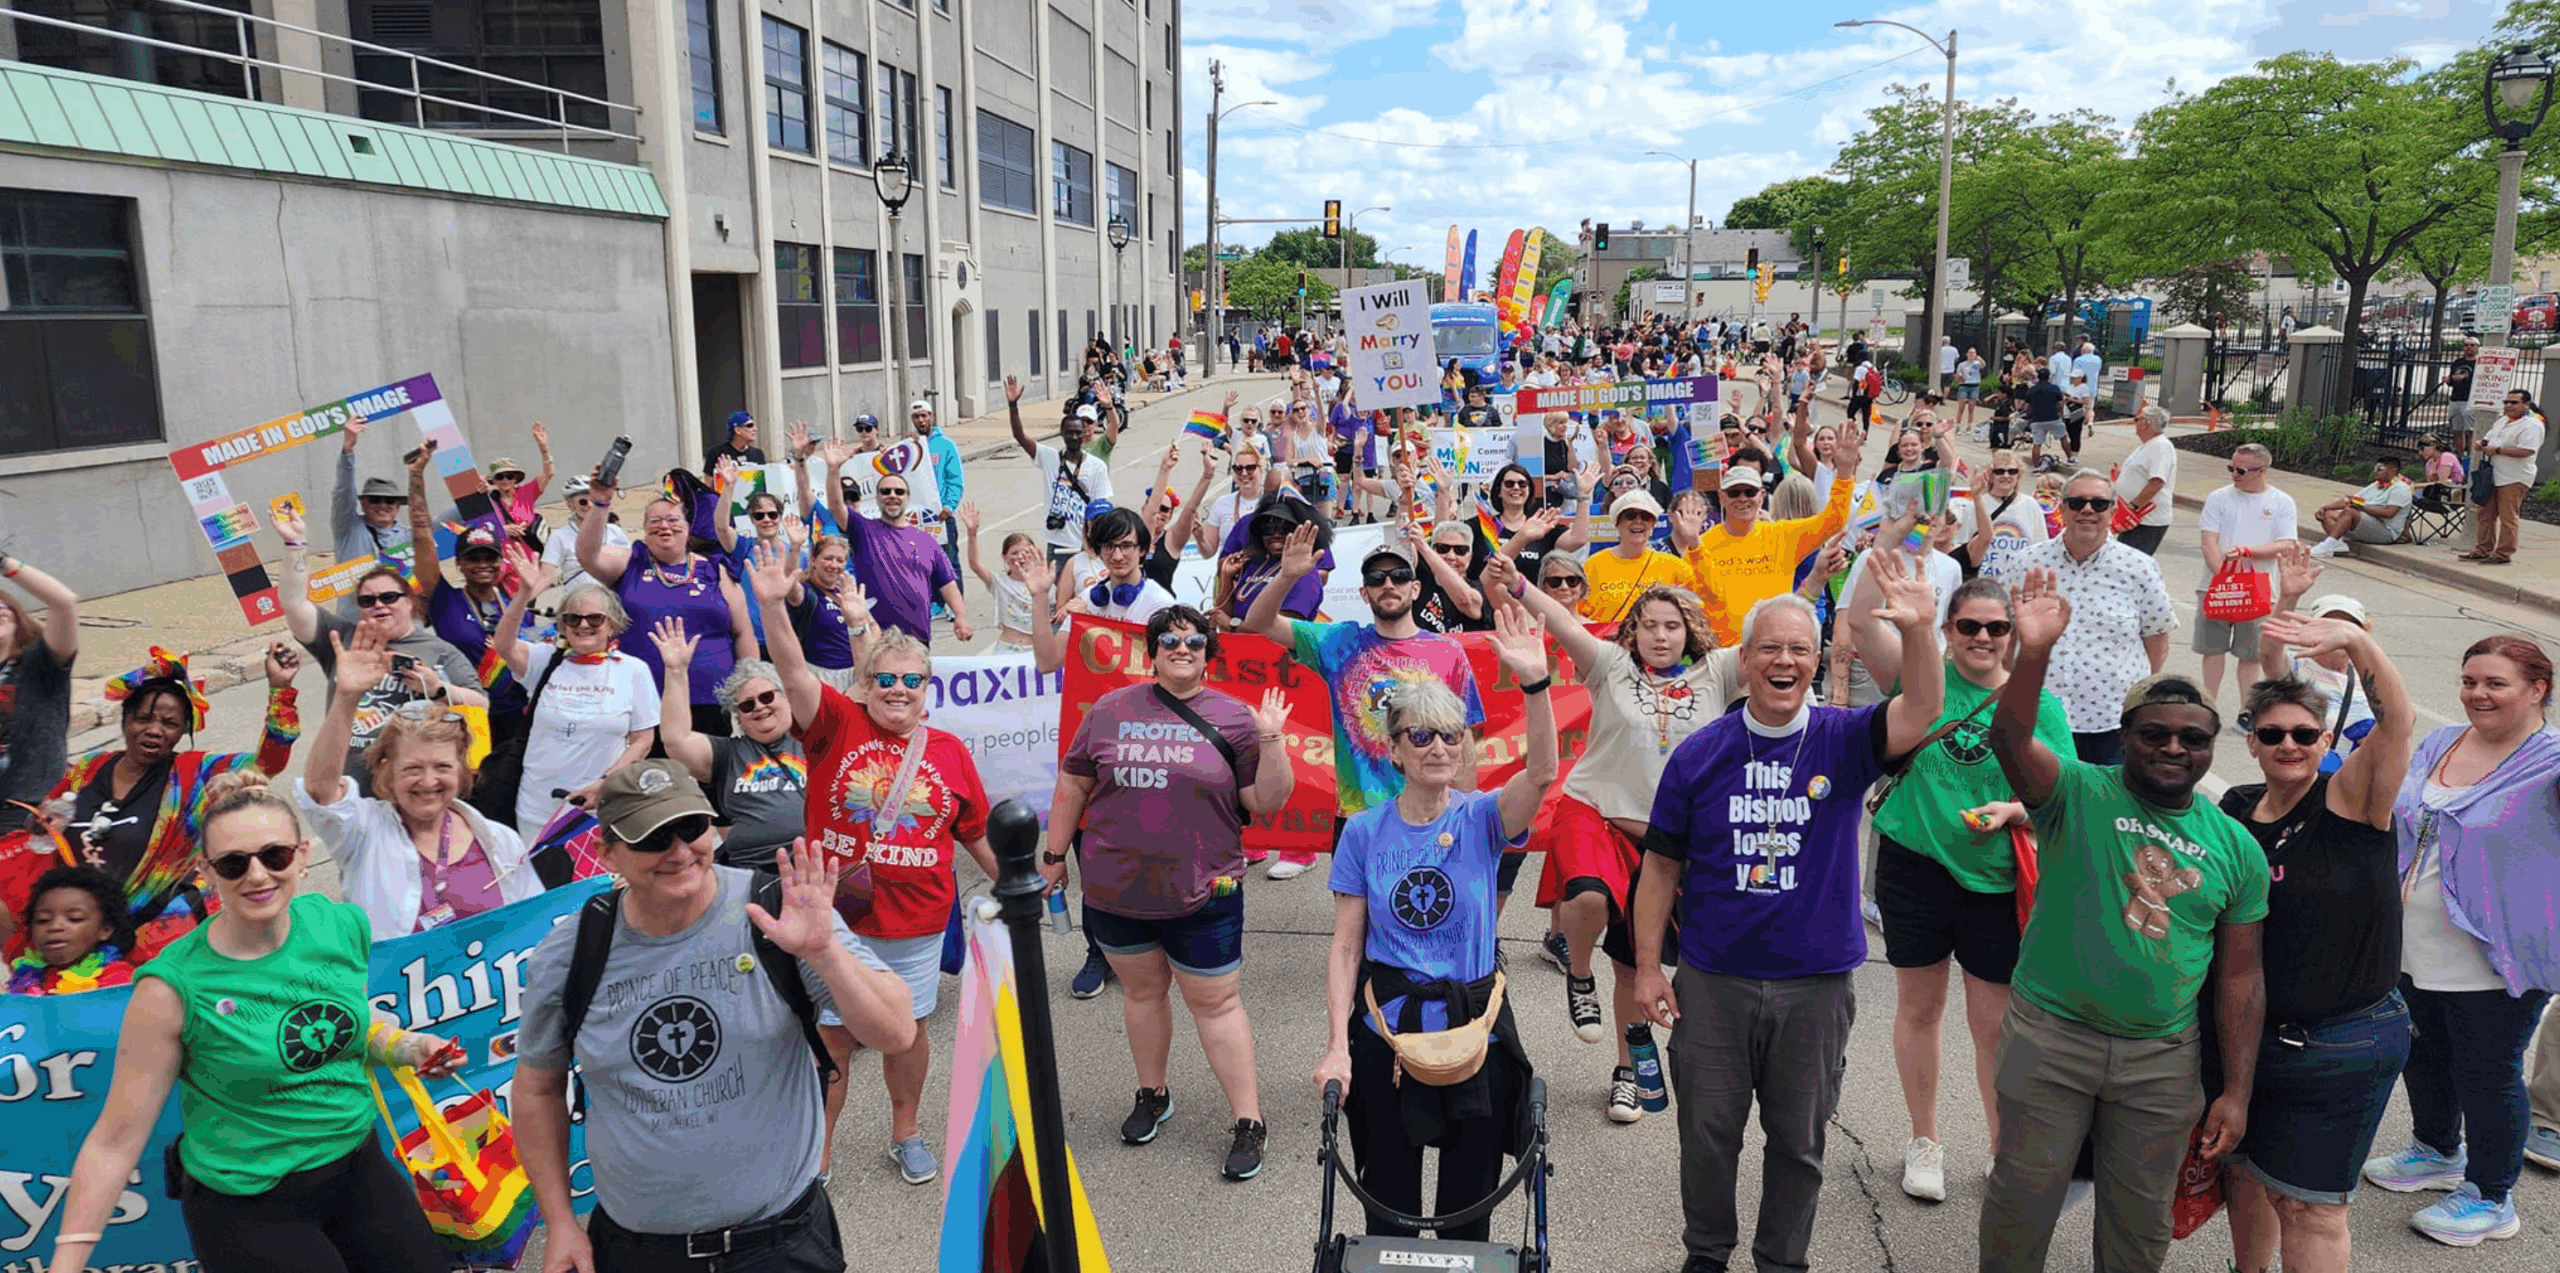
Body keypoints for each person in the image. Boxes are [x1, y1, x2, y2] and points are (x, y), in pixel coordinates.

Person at [1629, 557, 1947, 1273]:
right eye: (1769, 647)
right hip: (1714, 979)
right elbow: (1660, 870)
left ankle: (1782, 1261)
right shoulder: (1699, 755)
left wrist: (1922, 631)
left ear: (1815, 660)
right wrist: (1649, 966)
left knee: (1800, 1142)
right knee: (1707, 1135)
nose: (1784, 660)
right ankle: (1706, 1254)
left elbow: (1924, 708)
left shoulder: (1844, 737)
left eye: (1799, 648)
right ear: (1744, 661)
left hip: (1817, 983)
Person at [42, 771, 465, 1273]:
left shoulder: (337, 924)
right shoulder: (172, 988)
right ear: (208, 871)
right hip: (248, 1204)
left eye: (275, 855)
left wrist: (409, 1047)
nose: (258, 876)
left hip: (358, 1166)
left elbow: (347, 1022)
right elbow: (115, 1140)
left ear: (303, 855)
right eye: (234, 863)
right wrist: (65, 1264)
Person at [513, 763, 916, 1273]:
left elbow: (897, 1032)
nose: (680, 852)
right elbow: (536, 1088)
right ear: (606, 851)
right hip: (640, 1253)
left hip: (781, 1244)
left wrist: (825, 952)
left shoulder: (776, 911)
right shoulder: (571, 953)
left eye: (691, 828)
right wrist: (562, 1221)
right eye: (653, 837)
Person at [1978, 580, 2269, 1273]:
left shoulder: (2236, 846)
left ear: (2210, 748)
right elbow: (2009, 737)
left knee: (2139, 1229)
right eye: (2155, 733)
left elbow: (2240, 975)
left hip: (2162, 1060)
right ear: (2126, 735)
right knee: (2022, 1203)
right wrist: (2034, 651)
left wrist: (2236, 1089)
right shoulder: (2075, 790)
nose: (2174, 747)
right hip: (2050, 1038)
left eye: (2192, 738)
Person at [753, 550, 998, 1184]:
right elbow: (792, 670)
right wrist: (774, 605)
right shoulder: (835, 723)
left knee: (906, 1036)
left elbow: (975, 834)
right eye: (885, 678)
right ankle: (820, 1146)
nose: (897, 689)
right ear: (866, 683)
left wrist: (1024, 890)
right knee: (834, 1041)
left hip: (917, 923)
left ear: (927, 689)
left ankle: (907, 1131)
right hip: (839, 920)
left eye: (911, 680)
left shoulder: (949, 752)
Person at [1313, 606, 1559, 1240]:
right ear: (1393, 749)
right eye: (1420, 736)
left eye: (1451, 735)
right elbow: (1346, 947)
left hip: (1474, 1027)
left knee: (1466, 1212)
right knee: (1386, 1204)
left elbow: (1542, 773)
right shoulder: (1365, 832)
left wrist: (1535, 686)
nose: (1439, 747)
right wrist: (1337, 1046)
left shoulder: (1482, 818)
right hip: (1387, 1027)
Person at [1045, 606, 1296, 1179]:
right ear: (1151, 650)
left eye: (1193, 641)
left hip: (1205, 890)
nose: (1181, 648)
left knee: (1216, 1004)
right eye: (1169, 640)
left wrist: (1273, 739)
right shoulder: (1110, 710)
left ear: (1209, 652)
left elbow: (1266, 802)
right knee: (1141, 995)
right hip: (1115, 890)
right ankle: (1152, 1094)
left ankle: (1248, 1121)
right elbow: (1074, 783)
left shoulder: (1234, 719)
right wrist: (1055, 857)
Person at [1852, 576, 2073, 1199]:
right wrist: (1887, 538)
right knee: (1920, 1007)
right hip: (1914, 865)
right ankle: (1925, 1140)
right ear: (1947, 631)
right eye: (1968, 626)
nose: (1982, 638)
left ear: (2012, 634)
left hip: (1994, 879)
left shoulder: (2040, 705)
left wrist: (2014, 812)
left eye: (1996, 628)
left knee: (1995, 1025)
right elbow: (1862, 620)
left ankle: (2004, 1146)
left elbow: (2055, 792)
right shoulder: (1922, 681)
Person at [2211, 611, 2415, 1273]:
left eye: (2305, 733)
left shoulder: (2349, 800)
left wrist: (2357, 645)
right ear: (2252, 741)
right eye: (2273, 733)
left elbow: (2398, 724)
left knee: (2309, 1206)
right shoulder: (2235, 811)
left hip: (2338, 1041)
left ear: (2326, 738)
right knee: (2244, 1174)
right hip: (2247, 1037)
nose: (2289, 744)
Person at [1500, 559, 1737, 1122]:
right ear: (1632, 630)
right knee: (1586, 898)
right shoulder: (1608, 664)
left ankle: (1627, 1072)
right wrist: (1517, 583)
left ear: (1690, 631)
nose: (1660, 635)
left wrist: (1822, 579)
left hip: (1665, 839)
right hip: (1594, 812)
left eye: (1671, 626)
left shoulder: (1719, 673)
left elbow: (1779, 635)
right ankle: (1578, 973)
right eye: (1649, 625)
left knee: (1636, 970)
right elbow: (1560, 621)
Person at [2366, 634, 2560, 1243]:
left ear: (2538, 690)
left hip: (2495, 957)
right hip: (2412, 943)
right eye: (2470, 680)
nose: (2478, 694)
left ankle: (2492, 1195)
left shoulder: (2552, 763)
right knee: (2421, 1052)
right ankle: (2436, 1150)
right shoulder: (2441, 738)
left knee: (2487, 1069)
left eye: (2495, 683)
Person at [1240, 530, 1484, 885]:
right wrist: (1288, 575)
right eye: (1376, 578)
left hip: (1431, 816)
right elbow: (1258, 622)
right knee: (1356, 927)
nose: (1389, 584)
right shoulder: (1340, 641)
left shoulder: (1448, 653)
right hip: (1359, 818)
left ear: (1415, 589)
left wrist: (1464, 817)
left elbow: (1465, 743)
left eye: (1400, 576)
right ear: (1363, 592)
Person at [48, 645, 300, 958]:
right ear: (125, 719)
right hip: (76, 941)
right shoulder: (88, 769)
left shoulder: (194, 776)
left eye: (170, 724)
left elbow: (268, 762)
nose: (154, 731)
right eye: (143, 719)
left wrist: (280, 689)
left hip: (157, 944)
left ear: (183, 731)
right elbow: (42, 825)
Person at [299, 627, 542, 939]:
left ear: (460, 769)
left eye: (442, 766)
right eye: (412, 768)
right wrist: (346, 699)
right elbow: (320, 790)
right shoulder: (362, 833)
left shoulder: (500, 841)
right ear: (386, 769)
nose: (428, 782)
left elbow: (533, 927)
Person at [1997, 470, 2177, 764]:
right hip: (2037, 718)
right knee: (2033, 807)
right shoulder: (2026, 563)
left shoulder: (2140, 568)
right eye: (2077, 502)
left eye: (2099, 504)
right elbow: (2005, 637)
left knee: (2104, 808)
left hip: (2112, 722)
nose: (2088, 510)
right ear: (2062, 508)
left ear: (2113, 510)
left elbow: (2157, 640)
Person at [489, 549, 660, 838]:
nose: (583, 625)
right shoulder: (545, 660)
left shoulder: (634, 670)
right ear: (563, 625)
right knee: (540, 882)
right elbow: (504, 644)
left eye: (594, 619)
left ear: (612, 625)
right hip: (536, 806)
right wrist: (524, 594)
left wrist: (606, 783)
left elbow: (642, 741)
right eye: (573, 619)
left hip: (599, 807)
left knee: (597, 883)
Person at [576, 471, 759, 737]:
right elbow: (587, 554)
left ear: (688, 527)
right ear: (644, 529)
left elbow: (742, 633)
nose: (664, 526)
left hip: (709, 700)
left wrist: (750, 685)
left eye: (673, 519)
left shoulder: (715, 570)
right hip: (644, 701)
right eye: (655, 521)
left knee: (706, 774)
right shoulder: (631, 562)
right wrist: (601, 503)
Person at [1684, 434, 1862, 645]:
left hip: (1774, 649)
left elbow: (1834, 520)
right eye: (1734, 493)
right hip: (1724, 655)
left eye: (1749, 492)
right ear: (1722, 498)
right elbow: (1690, 605)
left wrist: (1844, 472)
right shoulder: (1702, 546)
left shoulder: (1782, 536)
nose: (1742, 499)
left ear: (1761, 496)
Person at [407, 449, 530, 746]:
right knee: (472, 788)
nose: (483, 564)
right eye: (472, 558)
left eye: (490, 557)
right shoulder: (444, 600)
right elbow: (423, 535)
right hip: (467, 714)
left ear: (501, 563)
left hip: (519, 715)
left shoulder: (517, 603)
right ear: (459, 564)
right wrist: (416, 477)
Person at [817, 442, 969, 645]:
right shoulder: (863, 530)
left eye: (898, 492)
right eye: (885, 491)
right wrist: (833, 469)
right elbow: (836, 505)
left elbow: (947, 582)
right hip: (875, 638)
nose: (892, 496)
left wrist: (961, 616)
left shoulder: (926, 541)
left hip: (917, 640)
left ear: (907, 497)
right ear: (877, 497)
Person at [0, 547, 81, 892]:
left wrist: (4, 564)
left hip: (35, 816)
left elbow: (64, 602)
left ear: (17, 621)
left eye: (3, 608)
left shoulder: (41, 666)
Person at [2196, 442, 2298, 706]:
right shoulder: (2218, 497)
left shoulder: (2281, 502)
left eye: (2241, 470)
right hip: (2215, 585)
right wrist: (2225, 580)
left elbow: (2287, 544)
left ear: (2261, 471)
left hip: (2258, 590)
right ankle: (2208, 704)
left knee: (2251, 654)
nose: (2234, 474)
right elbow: (2209, 543)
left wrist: (2247, 551)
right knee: (2212, 650)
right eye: (2231, 468)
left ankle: (2247, 708)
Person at [1009, 375, 1115, 576]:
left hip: (1087, 545)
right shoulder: (1049, 458)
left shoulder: (1096, 467)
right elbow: (1020, 437)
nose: (1074, 437)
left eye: (1078, 433)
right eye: (1069, 433)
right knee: (1058, 599)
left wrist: (1097, 544)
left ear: (1084, 434)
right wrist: (1013, 405)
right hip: (1057, 545)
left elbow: (1102, 511)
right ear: (1061, 433)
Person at [7, 865, 137, 995]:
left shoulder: (119, 980)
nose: (55, 927)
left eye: (75, 918)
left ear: (105, 930)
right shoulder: (24, 977)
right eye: (43, 920)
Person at [1583, 491, 1702, 625]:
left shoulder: (1675, 567)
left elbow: (1706, 601)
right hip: (1608, 644)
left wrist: (1694, 542)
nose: (1638, 521)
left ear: (1653, 524)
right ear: (1616, 522)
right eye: (1630, 516)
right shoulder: (1594, 565)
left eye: (1645, 516)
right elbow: (1578, 615)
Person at [328, 420, 414, 596]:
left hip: (399, 618)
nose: (382, 505)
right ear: (363, 503)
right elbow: (343, 492)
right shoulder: (348, 528)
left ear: (398, 506)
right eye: (375, 499)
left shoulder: (410, 536)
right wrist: (347, 451)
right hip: (356, 619)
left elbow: (446, 521)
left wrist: (481, 492)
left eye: (389, 501)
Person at [2462, 388, 2543, 566]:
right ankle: (2482, 549)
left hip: (2514, 477)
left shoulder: (2532, 425)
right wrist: (2480, 443)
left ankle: (2503, 553)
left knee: (2508, 517)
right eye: (2506, 402)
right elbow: (2488, 439)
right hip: (2493, 475)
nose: (2509, 406)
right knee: (2484, 513)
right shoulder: (2502, 421)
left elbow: (2527, 451)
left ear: (2526, 404)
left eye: (2514, 402)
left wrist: (2498, 450)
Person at [1958, 451, 2050, 581]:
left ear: (2018, 475)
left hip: (2018, 584)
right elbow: (1962, 544)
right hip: (1983, 583)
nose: (2006, 475)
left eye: (2012, 471)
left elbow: (2041, 548)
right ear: (1990, 475)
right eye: (1999, 471)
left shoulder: (2031, 505)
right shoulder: (1976, 505)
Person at [2311, 455, 2413, 557]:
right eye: (2375, 468)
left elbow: (2389, 513)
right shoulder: (2375, 486)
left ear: (2392, 470)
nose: (2375, 471)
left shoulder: (2400, 489)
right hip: (2367, 524)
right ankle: (2337, 544)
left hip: (2386, 531)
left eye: (2379, 469)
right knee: (2328, 514)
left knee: (2349, 511)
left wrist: (2363, 508)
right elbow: (2350, 500)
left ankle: (2328, 545)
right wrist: (2325, 508)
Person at [913, 399, 967, 592]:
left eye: (924, 416)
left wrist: (948, 506)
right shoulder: (909, 448)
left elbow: (955, 480)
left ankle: (955, 604)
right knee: (923, 563)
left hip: (943, 516)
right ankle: (935, 602)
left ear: (931, 416)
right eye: (916, 417)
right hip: (919, 519)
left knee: (950, 561)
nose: (921, 420)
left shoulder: (945, 445)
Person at [2111, 404, 2177, 556]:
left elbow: (2157, 482)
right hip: (2134, 519)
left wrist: (2133, 506)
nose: (2135, 422)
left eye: (2137, 419)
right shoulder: (2149, 445)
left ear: (2146, 423)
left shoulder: (2161, 446)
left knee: (2129, 564)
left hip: (2146, 520)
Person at [540, 475, 626, 591]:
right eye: (583, 502)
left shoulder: (614, 531)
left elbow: (632, 565)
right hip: (579, 603)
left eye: (594, 500)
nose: (590, 505)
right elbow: (546, 575)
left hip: (612, 601)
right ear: (570, 506)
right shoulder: (559, 537)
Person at [482, 424, 554, 535]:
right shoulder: (488, 500)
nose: (505, 480)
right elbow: (480, 528)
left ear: (515, 478)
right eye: (500, 476)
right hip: (504, 550)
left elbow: (548, 473)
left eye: (509, 476)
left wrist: (544, 449)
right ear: (493, 480)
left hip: (533, 549)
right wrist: (503, 530)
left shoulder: (525, 493)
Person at [2021, 370, 2069, 471]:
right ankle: (2070, 458)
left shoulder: (2032, 389)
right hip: (2053, 418)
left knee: (2037, 443)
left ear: (2038, 377)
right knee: (2063, 438)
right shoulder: (2055, 388)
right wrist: (2060, 413)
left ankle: (2036, 466)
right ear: (2049, 377)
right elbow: (2061, 404)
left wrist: (2030, 413)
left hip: (2037, 420)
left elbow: (2026, 407)